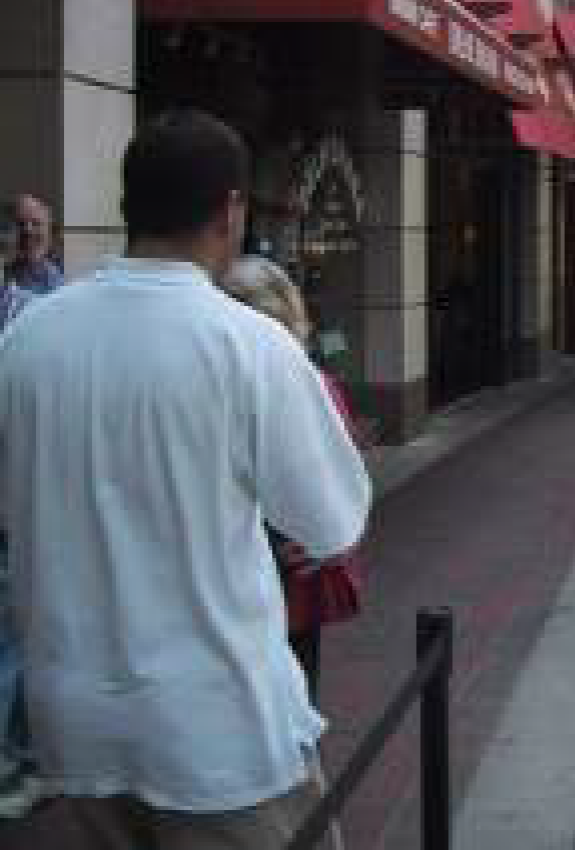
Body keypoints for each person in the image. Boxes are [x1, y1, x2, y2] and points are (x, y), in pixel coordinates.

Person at [0, 111, 371, 847]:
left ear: (128, 204)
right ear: (231, 210)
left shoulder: (26, 339)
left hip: (76, 718)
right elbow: (332, 522)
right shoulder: (250, 345)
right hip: (217, 729)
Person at [222, 255, 364, 701]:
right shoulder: (218, 381)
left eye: (240, 303)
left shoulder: (308, 385)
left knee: (289, 696)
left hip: (281, 577)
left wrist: (317, 537)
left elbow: (334, 485)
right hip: (235, 579)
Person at [6, 195, 62, 295]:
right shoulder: (5, 280)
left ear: (50, 228)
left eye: (36, 223)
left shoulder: (71, 276)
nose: (28, 231)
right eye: (20, 224)